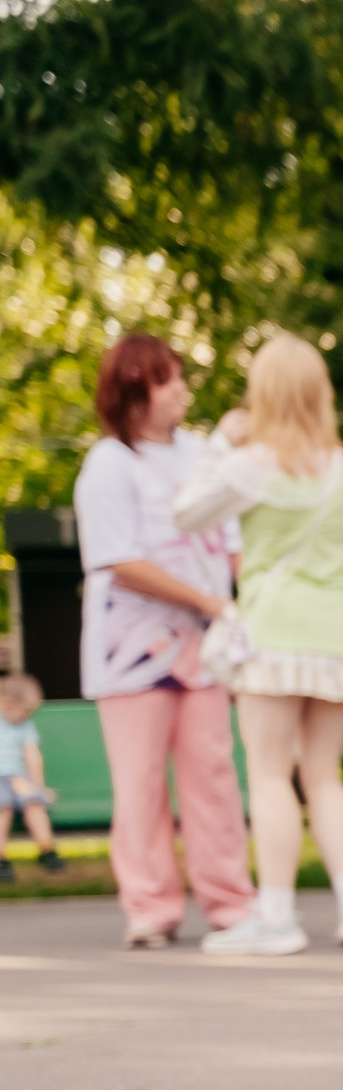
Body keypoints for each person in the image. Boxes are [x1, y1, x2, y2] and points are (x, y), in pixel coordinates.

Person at [173, 333, 343, 953]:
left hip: (275, 628)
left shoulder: (252, 464)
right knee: (325, 775)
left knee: (271, 775)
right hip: (340, 627)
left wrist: (220, 442)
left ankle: (276, 918)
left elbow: (186, 513)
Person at [71, 333, 255, 948]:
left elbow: (232, 542)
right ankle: (150, 908)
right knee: (140, 782)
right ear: (135, 388)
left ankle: (232, 904)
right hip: (130, 652)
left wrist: (246, 600)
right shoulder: (108, 464)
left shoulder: (202, 455)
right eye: (168, 378)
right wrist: (208, 602)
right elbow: (119, 559)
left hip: (205, 649)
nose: (181, 390)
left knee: (213, 774)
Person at [0, 674, 67, 881]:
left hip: (17, 777)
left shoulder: (25, 725)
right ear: (7, 702)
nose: (27, 716)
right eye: (25, 710)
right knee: (3, 808)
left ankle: (47, 850)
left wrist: (38, 787)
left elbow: (32, 757)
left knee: (35, 804)